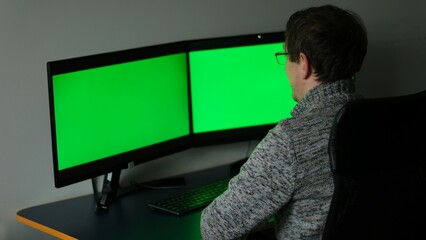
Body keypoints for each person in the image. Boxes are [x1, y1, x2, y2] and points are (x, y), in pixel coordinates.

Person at [200, 4, 368, 240]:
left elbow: (216, 228)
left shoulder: (290, 140)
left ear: (303, 63)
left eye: (285, 56)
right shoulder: (381, 119)